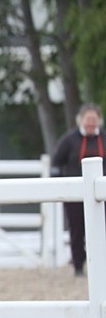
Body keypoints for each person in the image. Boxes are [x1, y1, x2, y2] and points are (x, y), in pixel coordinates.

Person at [51, 104, 105, 277]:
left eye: (93, 120)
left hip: (102, 194)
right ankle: (79, 266)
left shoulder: (104, 138)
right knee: (76, 230)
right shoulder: (69, 140)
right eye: (87, 119)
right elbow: (57, 162)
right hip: (75, 193)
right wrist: (60, 185)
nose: (90, 123)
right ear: (81, 120)